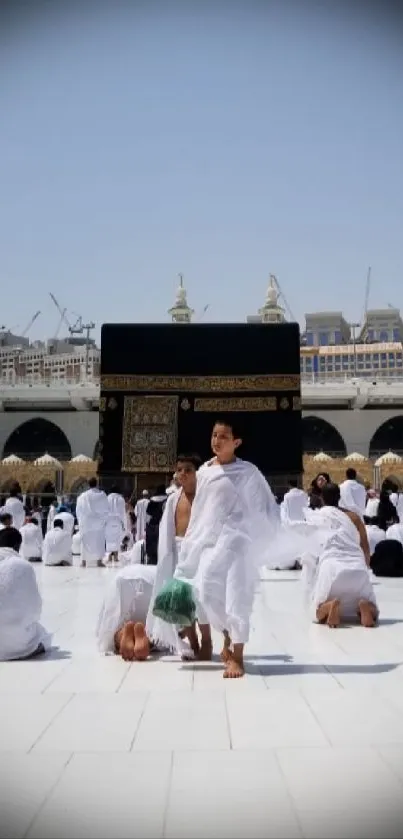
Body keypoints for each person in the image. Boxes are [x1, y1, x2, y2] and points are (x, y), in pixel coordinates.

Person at [154, 418, 281, 679]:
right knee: (205, 590)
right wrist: (191, 543)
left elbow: (262, 508)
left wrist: (256, 535)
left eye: (223, 436)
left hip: (239, 544)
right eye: (213, 435)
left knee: (237, 596)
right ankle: (226, 633)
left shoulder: (248, 472)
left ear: (236, 442)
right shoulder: (205, 472)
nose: (216, 440)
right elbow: (201, 512)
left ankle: (238, 656)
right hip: (211, 544)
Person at [146, 453, 210, 659]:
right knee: (182, 602)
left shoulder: (206, 497)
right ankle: (193, 642)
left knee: (201, 601)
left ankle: (207, 639)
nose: (182, 473)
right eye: (179, 469)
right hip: (178, 552)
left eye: (188, 469)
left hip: (200, 552)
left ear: (197, 473)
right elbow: (168, 531)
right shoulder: (174, 499)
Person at [302, 483, 378, 628]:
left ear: (322, 498)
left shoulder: (318, 515)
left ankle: (330, 606)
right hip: (357, 567)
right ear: (339, 497)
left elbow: (309, 550)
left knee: (316, 611)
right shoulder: (354, 517)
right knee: (373, 607)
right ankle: (365, 608)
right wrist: (364, 568)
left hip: (331, 569)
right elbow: (365, 548)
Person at [0, 527, 52, 660]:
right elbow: (35, 608)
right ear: (18, 546)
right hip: (15, 643)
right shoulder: (23, 566)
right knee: (42, 635)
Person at [76, 477, 109, 567]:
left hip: (86, 523)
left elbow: (79, 510)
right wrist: (103, 520)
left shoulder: (83, 496)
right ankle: (99, 561)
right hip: (99, 523)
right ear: (97, 484)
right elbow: (106, 509)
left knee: (85, 542)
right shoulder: (102, 495)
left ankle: (84, 562)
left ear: (88, 484)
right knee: (99, 541)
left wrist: (81, 521)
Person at [145, 485, 168, 564]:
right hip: (163, 523)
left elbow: (148, 512)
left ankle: (152, 558)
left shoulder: (152, 500)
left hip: (153, 523)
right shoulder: (167, 499)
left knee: (152, 541)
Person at [105, 485, 127, 563]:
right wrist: (124, 523)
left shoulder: (107, 498)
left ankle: (110, 556)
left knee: (110, 539)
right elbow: (123, 512)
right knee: (117, 539)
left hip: (108, 522)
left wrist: (104, 522)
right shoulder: (121, 499)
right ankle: (116, 556)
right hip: (118, 521)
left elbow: (105, 511)